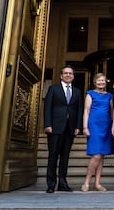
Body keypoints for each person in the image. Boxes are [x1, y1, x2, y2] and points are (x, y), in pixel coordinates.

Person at [44, 65, 83, 193]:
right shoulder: (53, 89)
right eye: (65, 73)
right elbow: (47, 108)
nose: (68, 75)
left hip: (70, 128)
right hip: (55, 127)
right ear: (61, 76)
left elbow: (79, 111)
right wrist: (47, 124)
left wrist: (78, 126)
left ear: (73, 76)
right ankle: (51, 184)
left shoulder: (77, 92)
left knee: (65, 157)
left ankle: (62, 183)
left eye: (70, 73)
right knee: (53, 156)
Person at [81, 73, 114, 192]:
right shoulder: (90, 94)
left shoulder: (109, 95)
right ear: (95, 82)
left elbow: (111, 112)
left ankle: (97, 183)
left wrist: (113, 126)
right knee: (96, 155)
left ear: (106, 82)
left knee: (102, 156)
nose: (101, 82)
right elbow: (86, 110)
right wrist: (85, 127)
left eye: (103, 81)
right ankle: (86, 182)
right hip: (94, 126)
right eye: (99, 81)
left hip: (106, 126)